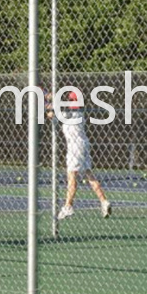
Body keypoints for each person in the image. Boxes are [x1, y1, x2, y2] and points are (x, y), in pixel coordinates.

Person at [49, 89, 111, 220]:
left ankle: (68, 206)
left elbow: (52, 112)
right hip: (83, 145)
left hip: (75, 148)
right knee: (89, 175)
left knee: (72, 176)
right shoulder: (77, 113)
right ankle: (104, 201)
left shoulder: (69, 113)